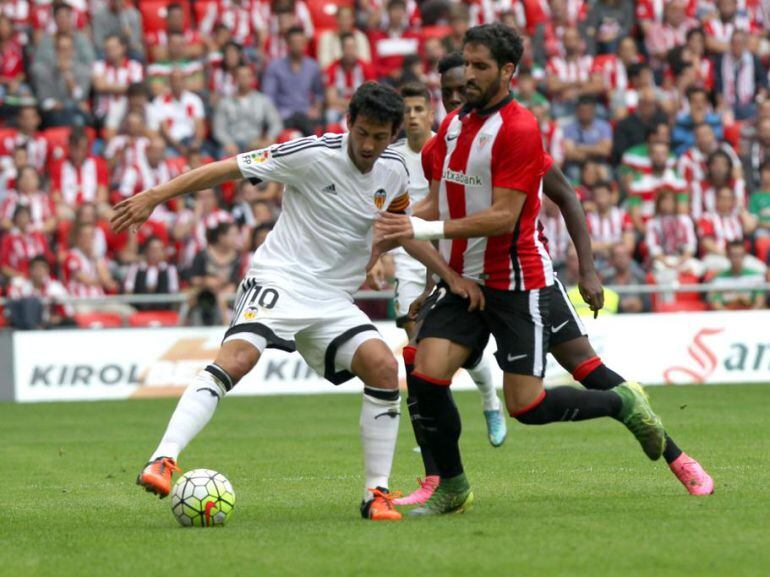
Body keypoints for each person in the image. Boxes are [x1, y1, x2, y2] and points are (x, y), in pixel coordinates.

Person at [377, 26, 710, 515]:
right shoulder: (451, 129)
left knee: (538, 400)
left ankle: (632, 412)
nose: (466, 77)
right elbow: (437, 199)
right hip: (468, 282)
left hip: (519, 283)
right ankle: (450, 485)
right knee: (425, 373)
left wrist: (588, 270)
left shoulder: (519, 129)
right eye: (463, 66)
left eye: (478, 67)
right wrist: (398, 223)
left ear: (508, 71)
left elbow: (504, 216)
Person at [111, 82, 482, 521]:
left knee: (383, 366)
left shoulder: (395, 171)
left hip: (331, 298)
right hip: (280, 279)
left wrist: (449, 276)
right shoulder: (311, 153)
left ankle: (376, 493)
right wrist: (154, 197)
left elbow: (398, 229)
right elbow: (227, 168)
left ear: (393, 134)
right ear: (349, 122)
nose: (367, 144)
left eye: (379, 136)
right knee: (239, 358)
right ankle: (164, 459)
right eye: (362, 132)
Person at [368, 82, 507, 506]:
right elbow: (385, 214)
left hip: (447, 250)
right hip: (410, 257)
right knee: (416, 351)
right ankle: (434, 459)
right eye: (405, 110)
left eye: (417, 109)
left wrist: (438, 275)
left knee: (453, 348)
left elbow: (444, 209)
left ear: (430, 115)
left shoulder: (442, 148)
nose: (411, 117)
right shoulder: (389, 158)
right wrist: (377, 253)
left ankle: (489, 399)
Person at [213, 65, 283, 157]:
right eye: (241, 76)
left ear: (252, 79)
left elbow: (276, 124)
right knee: (222, 155)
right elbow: (219, 129)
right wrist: (228, 143)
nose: (244, 79)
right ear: (235, 79)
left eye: (247, 76)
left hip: (255, 143)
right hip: (233, 143)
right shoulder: (225, 102)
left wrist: (269, 139)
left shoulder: (262, 100)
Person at [708, 240, 766, 310]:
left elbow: (759, 301)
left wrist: (749, 316)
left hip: (750, 316)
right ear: (728, 256)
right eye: (734, 255)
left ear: (745, 255)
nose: (737, 259)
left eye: (740, 255)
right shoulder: (718, 278)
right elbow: (716, 304)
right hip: (726, 317)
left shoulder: (755, 276)